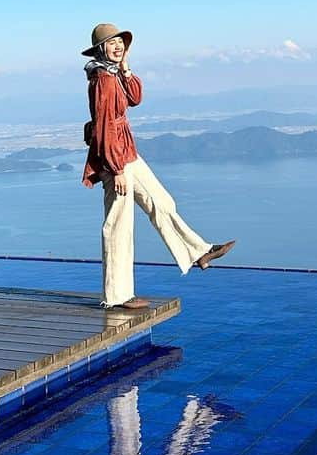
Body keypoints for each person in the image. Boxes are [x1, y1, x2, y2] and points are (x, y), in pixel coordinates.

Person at [81, 22, 235, 311]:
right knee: (118, 225)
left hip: (127, 152)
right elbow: (103, 127)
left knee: (161, 201)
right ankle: (117, 295)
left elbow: (136, 98)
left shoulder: (114, 74)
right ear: (101, 48)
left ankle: (198, 251)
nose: (117, 47)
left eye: (120, 43)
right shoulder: (102, 79)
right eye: (111, 43)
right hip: (115, 157)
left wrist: (126, 68)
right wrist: (115, 170)